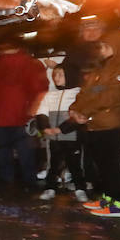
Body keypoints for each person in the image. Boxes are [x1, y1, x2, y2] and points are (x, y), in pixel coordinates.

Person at [70, 32, 120, 217]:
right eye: (101, 46)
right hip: (96, 123)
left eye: (106, 46)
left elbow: (111, 96)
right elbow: (86, 91)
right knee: (102, 164)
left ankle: (119, 204)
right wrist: (75, 109)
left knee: (113, 164)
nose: (102, 50)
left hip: (112, 123)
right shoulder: (101, 67)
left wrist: (85, 111)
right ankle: (108, 197)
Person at [0, 41, 49, 189]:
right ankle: (29, 182)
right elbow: (40, 88)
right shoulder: (32, 63)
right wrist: (35, 109)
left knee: (2, 150)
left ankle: (6, 181)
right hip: (24, 116)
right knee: (26, 151)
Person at [37, 61, 88, 201]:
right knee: (53, 164)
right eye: (55, 74)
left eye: (61, 74)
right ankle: (50, 188)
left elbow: (79, 114)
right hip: (54, 138)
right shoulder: (50, 95)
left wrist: (61, 129)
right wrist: (45, 127)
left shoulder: (78, 93)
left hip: (71, 136)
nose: (56, 78)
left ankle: (80, 188)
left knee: (75, 164)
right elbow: (41, 111)